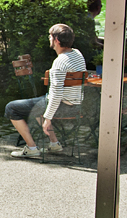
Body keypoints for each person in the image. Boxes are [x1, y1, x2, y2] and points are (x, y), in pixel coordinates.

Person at [6, 23, 87, 159]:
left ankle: (31, 148)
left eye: (50, 36)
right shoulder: (77, 54)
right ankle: (54, 143)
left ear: (56, 40)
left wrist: (48, 119)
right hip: (76, 106)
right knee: (39, 102)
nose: (49, 39)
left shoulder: (60, 63)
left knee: (11, 108)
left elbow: (56, 94)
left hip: (62, 106)